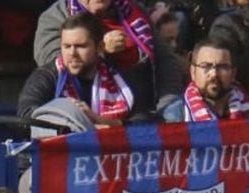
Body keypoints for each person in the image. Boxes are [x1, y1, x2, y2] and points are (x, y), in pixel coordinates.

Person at [34, 0, 183, 115]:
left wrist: (168, 106)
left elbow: (166, 61)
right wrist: (99, 50)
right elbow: (56, 65)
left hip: (144, 118)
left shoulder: (134, 13)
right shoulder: (55, 17)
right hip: (85, 120)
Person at [19, 13, 141, 127]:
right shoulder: (47, 76)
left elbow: (146, 120)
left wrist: (99, 121)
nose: (72, 53)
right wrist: (68, 116)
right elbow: (26, 117)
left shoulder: (120, 76)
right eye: (67, 46)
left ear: (99, 47)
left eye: (81, 46)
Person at [180, 37, 249, 119]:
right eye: (206, 66)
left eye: (222, 67)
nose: (214, 74)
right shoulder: (174, 117)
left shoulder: (245, 107)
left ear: (233, 73)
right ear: (193, 71)